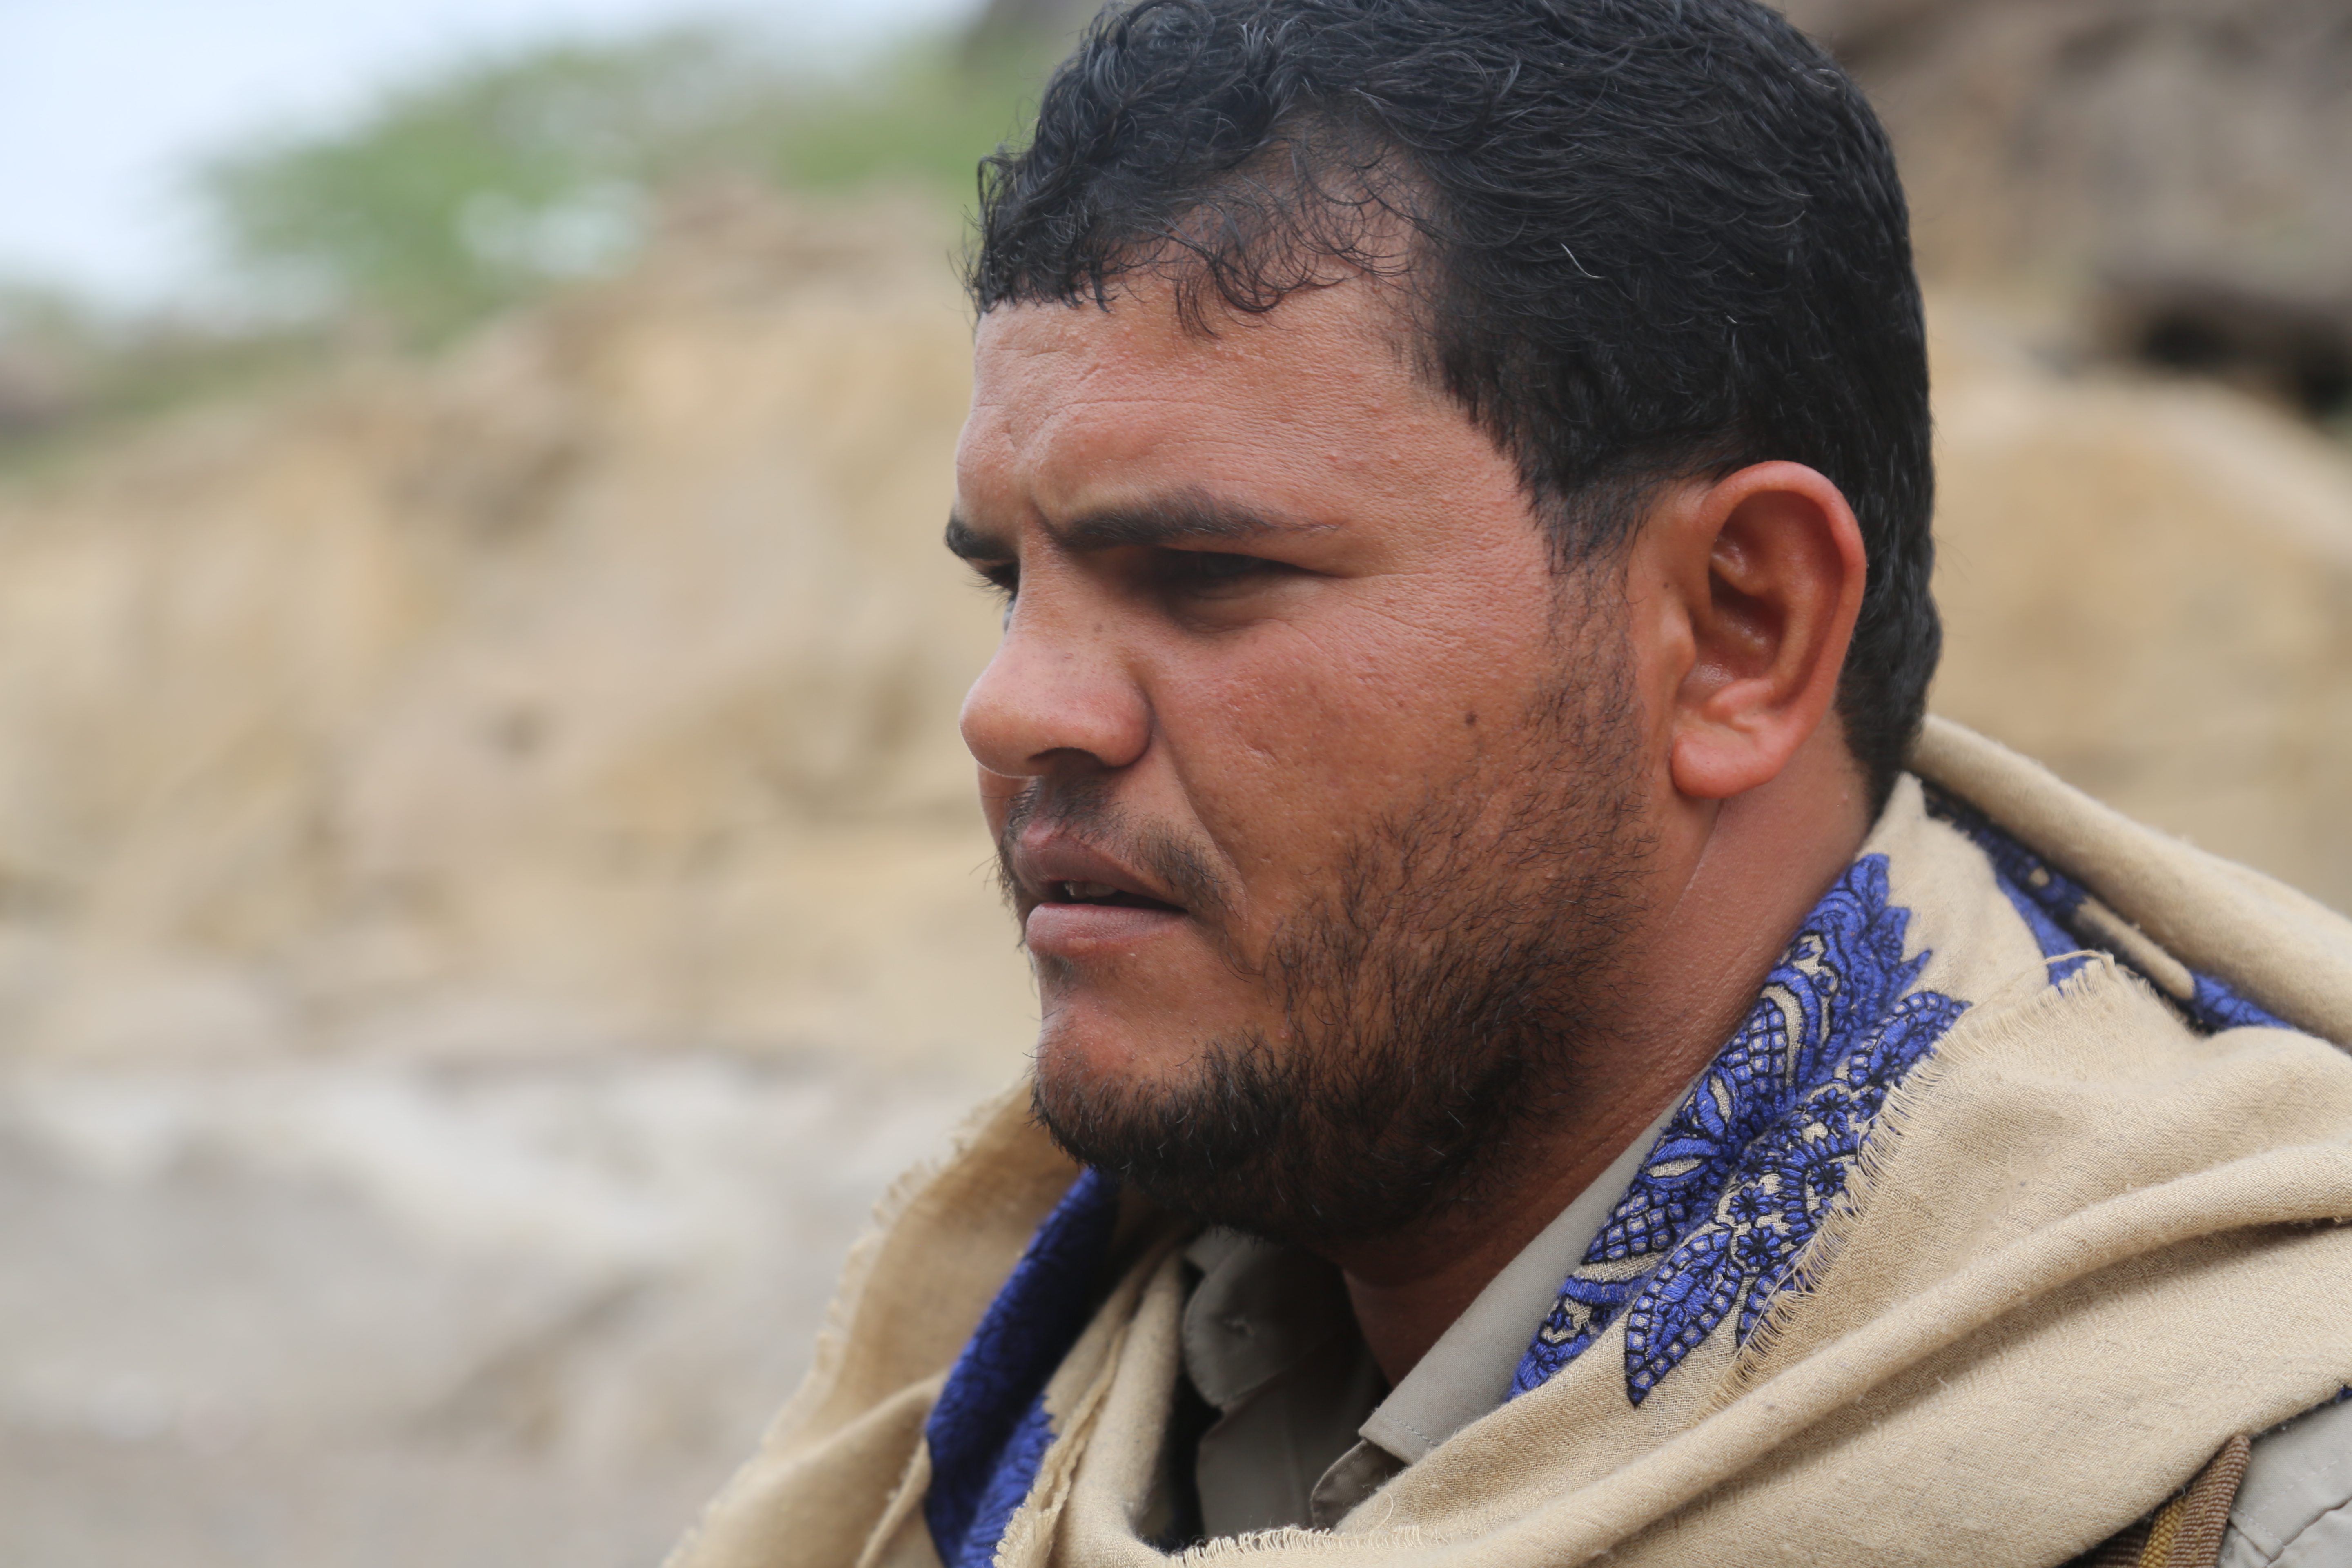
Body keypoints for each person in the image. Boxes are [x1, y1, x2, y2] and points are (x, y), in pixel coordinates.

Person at [667, 2, 2352, 1564]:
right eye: (1007, 583)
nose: (1013, 708)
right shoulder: (1014, 1426)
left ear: (1738, 631)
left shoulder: (2249, 1502)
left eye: (1204, 571)